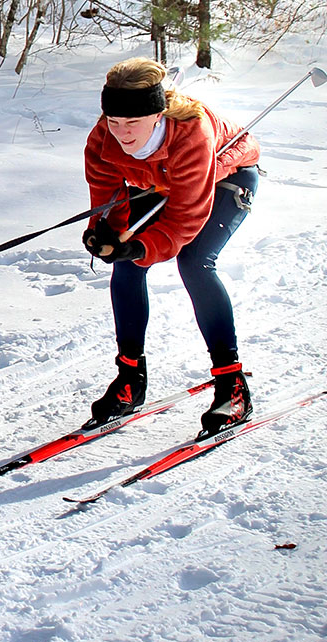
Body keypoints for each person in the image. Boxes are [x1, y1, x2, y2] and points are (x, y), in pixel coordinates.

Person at [82, 57, 261, 437]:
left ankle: (233, 386)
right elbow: (109, 201)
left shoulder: (191, 132)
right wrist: (105, 234)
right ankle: (130, 380)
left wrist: (140, 246)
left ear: (157, 114)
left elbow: (183, 221)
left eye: (132, 123)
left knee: (195, 262)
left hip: (225, 177)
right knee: (126, 265)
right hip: (161, 183)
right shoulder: (103, 139)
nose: (122, 133)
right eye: (114, 122)